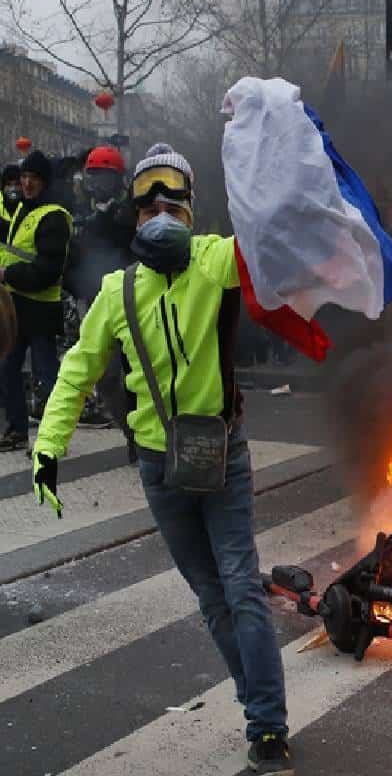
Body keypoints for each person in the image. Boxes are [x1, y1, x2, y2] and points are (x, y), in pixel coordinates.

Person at [30, 144, 293, 774]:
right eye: (149, 206)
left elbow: (269, 237)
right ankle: (258, 703)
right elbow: (77, 369)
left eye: (173, 204)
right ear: (135, 213)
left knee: (242, 588)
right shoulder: (118, 291)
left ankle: (267, 727)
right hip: (160, 465)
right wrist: (48, 446)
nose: (161, 215)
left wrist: (271, 144)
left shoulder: (216, 261)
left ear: (191, 210)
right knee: (213, 597)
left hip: (222, 455)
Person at [66, 145, 138, 441]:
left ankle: (145, 437)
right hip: (95, 303)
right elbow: (74, 258)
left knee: (135, 373)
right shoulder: (80, 213)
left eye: (105, 178)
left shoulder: (129, 213)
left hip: (128, 301)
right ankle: (132, 433)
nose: (98, 185)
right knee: (106, 380)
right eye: (93, 177)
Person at [0, 151, 71, 452]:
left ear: (44, 182)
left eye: (33, 178)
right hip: (16, 306)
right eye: (24, 177)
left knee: (46, 375)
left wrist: (8, 274)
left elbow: (47, 270)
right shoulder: (24, 209)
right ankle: (17, 430)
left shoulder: (53, 215)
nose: (26, 184)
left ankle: (53, 435)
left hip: (40, 309)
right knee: (7, 369)